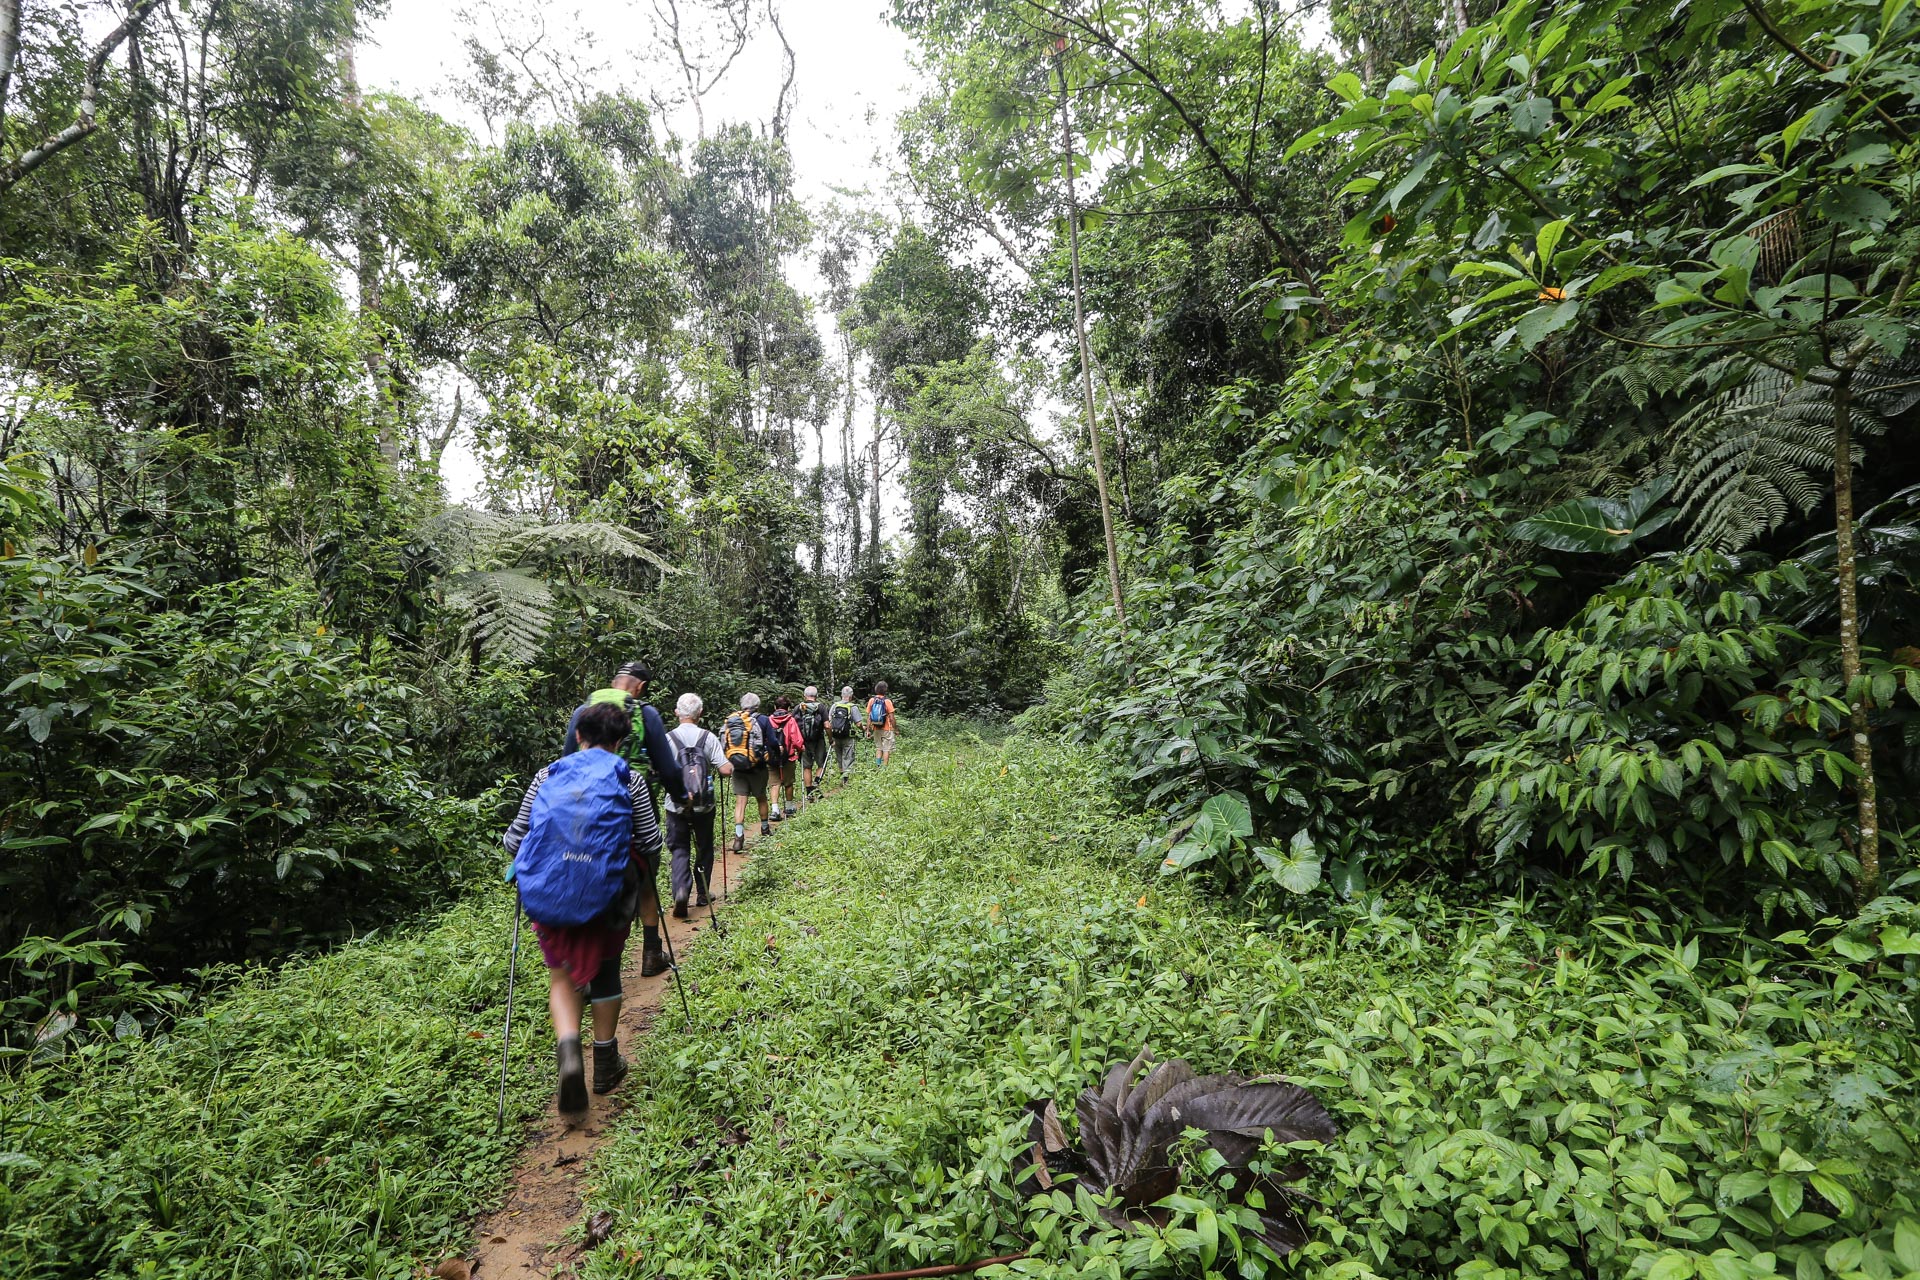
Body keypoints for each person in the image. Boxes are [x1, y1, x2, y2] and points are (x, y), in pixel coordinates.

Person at [502, 700, 664, 1118]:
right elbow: (650, 840)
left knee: (562, 975)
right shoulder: (630, 778)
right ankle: (605, 1063)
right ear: (619, 740)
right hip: (605, 894)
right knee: (607, 969)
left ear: (578, 736)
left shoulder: (547, 774)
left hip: (550, 893)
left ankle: (569, 1050)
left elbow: (514, 838)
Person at [563, 660, 681, 822]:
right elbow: (668, 770)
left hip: (583, 807)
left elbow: (567, 759)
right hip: (630, 811)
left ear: (613, 683)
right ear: (641, 686)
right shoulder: (646, 714)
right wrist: (681, 796)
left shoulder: (582, 712)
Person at [664, 692, 731, 918]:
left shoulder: (668, 739)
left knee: (680, 848)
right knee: (704, 847)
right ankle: (703, 893)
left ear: (677, 713)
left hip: (676, 804)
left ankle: (681, 890)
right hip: (704, 805)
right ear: (700, 714)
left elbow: (660, 771)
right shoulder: (708, 737)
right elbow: (725, 769)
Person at [722, 692, 778, 852]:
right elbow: (773, 742)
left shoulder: (732, 720)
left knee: (741, 802)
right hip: (757, 766)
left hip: (737, 767)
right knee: (761, 798)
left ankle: (738, 838)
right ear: (757, 706)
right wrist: (774, 755)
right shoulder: (763, 720)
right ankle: (765, 829)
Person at [767, 694, 805, 819]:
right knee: (788, 782)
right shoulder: (791, 720)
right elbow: (796, 739)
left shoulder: (769, 720)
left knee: (774, 783)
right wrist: (800, 749)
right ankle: (789, 807)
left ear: (775, 707)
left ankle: (775, 810)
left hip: (772, 757)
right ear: (788, 708)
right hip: (788, 756)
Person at [796, 685, 829, 801]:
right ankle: (816, 782)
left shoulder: (799, 708)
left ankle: (809, 793)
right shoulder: (821, 707)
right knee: (821, 764)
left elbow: (793, 725)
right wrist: (830, 738)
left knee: (807, 767)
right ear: (816, 696)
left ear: (804, 696)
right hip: (818, 740)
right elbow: (827, 725)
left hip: (804, 742)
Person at [828, 685, 860, 783]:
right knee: (848, 756)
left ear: (841, 695)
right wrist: (863, 729)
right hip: (847, 736)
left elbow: (829, 720)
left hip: (835, 735)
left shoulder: (835, 706)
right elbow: (858, 723)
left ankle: (842, 774)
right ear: (851, 696)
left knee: (839, 755)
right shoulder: (853, 707)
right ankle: (845, 779)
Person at [865, 680, 898, 765]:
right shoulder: (887, 701)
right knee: (886, 749)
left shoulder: (872, 700)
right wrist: (895, 729)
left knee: (879, 748)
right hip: (887, 728)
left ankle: (878, 766)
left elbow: (869, 717)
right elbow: (891, 717)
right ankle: (885, 769)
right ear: (885, 690)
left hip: (876, 728)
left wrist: (868, 730)